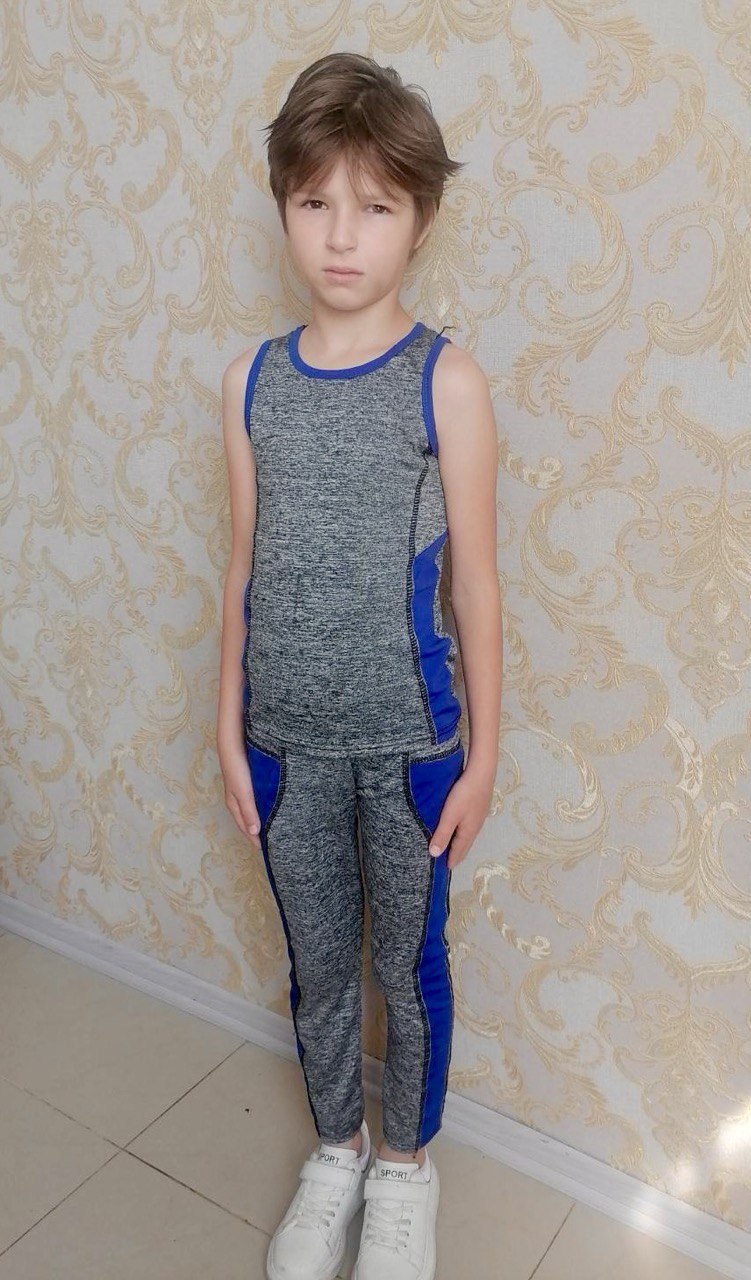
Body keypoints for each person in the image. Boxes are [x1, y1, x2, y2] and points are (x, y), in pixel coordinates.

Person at [217, 50, 502, 1280]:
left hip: (409, 746)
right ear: (282, 205)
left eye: (374, 206)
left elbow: (476, 583)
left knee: (408, 967)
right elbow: (241, 566)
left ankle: (403, 1166)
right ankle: (335, 1144)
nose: (341, 235)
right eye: (315, 201)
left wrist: (483, 757)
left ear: (419, 219)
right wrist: (226, 727)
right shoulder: (251, 380)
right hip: (284, 741)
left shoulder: (446, 379)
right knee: (321, 960)